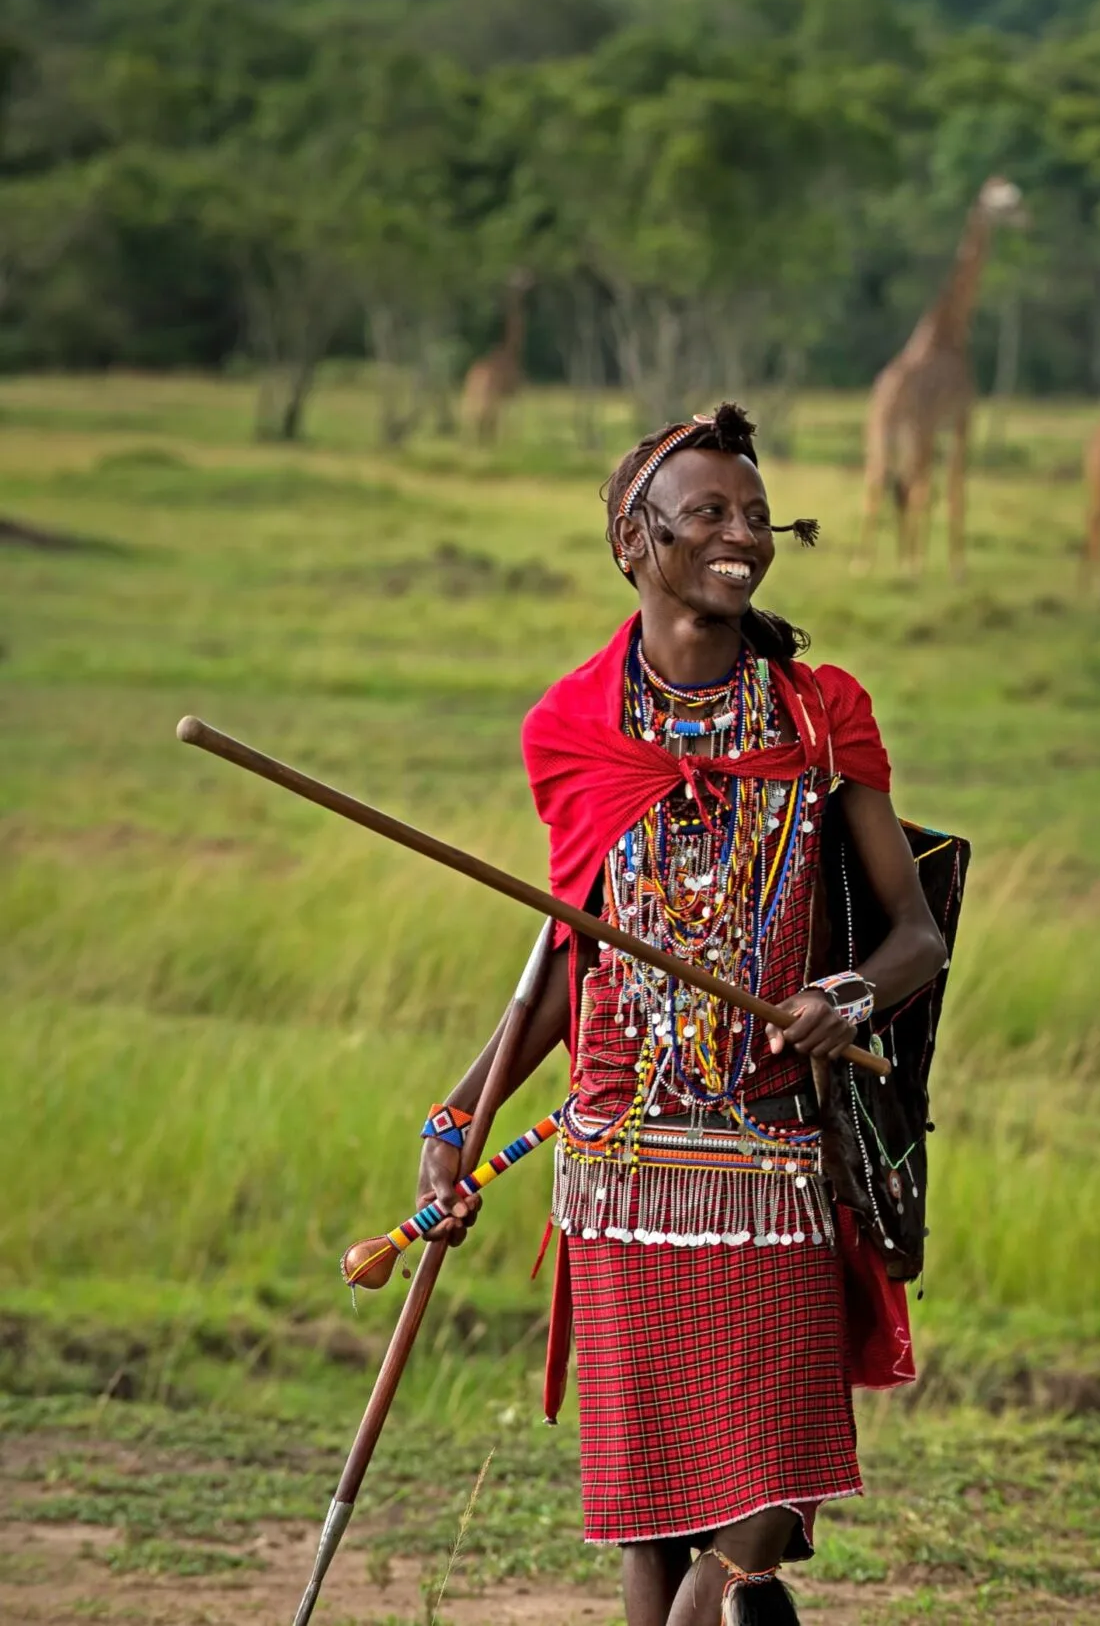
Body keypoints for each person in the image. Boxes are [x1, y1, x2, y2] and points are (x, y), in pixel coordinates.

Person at [412, 403, 949, 1626]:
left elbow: (914, 934)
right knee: (649, 1511)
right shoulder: (574, 727)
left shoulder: (818, 716)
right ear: (631, 540)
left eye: (757, 515)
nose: (742, 535)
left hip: (771, 1152)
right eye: (708, 512)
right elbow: (567, 955)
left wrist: (844, 993)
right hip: (623, 1162)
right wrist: (460, 1111)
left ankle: (733, 1588)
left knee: (777, 1476)